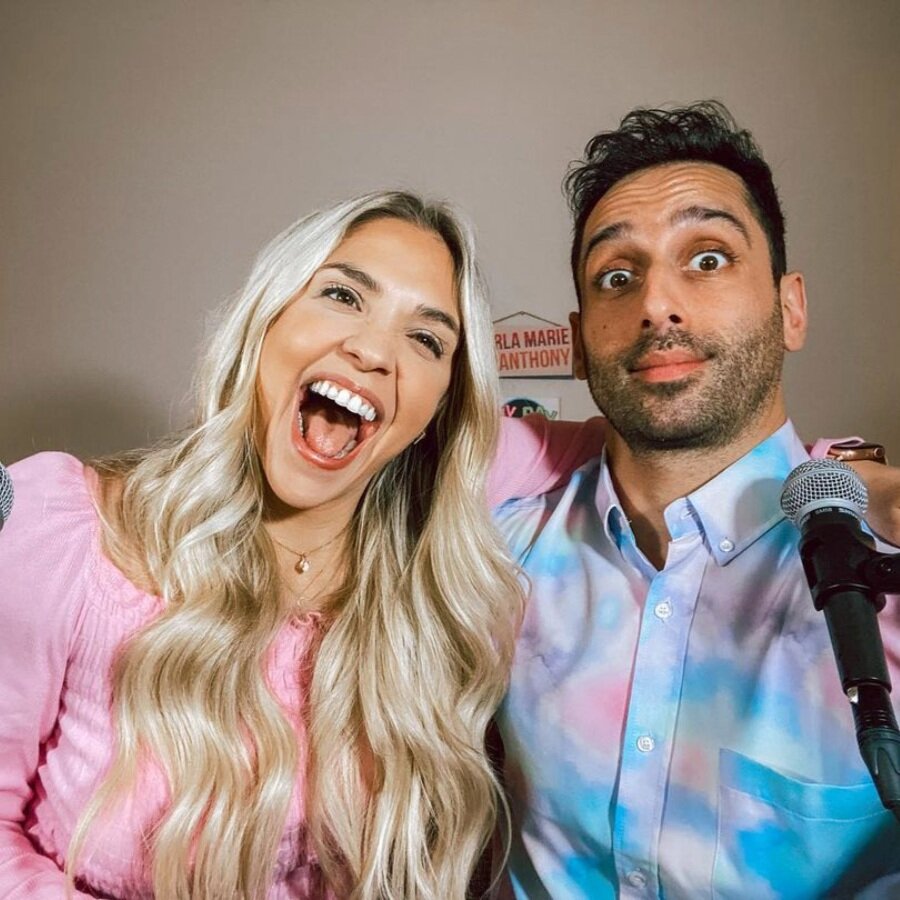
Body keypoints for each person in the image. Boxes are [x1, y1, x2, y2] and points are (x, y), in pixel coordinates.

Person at [0, 191, 531, 899]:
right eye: (343, 295)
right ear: (266, 319)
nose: (374, 351)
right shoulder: (60, 527)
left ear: (437, 412)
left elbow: (609, 450)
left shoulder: (434, 603)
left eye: (426, 340)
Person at [491, 102, 900, 899]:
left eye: (708, 259)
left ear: (791, 308)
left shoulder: (881, 576)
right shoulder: (502, 540)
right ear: (578, 344)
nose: (655, 304)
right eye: (617, 276)